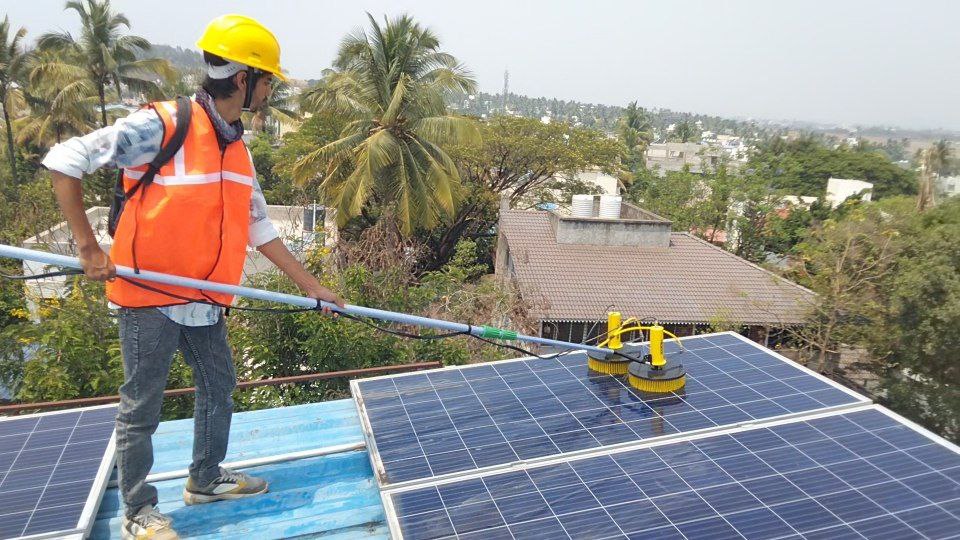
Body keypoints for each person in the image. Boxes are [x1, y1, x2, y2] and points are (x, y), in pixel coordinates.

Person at [42, 14, 343, 540]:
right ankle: (139, 511)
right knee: (142, 409)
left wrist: (312, 287)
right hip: (148, 297)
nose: (271, 90)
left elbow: (259, 228)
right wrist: (89, 248)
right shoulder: (164, 123)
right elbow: (65, 160)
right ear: (244, 79)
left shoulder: (238, 147)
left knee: (220, 385)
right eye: (268, 79)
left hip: (205, 301)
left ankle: (204, 478)